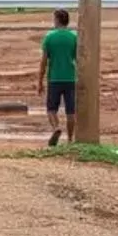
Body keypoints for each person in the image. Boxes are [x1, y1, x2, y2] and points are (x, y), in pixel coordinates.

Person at [37, 9, 77, 147]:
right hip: (71, 78)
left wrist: (40, 81)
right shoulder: (74, 37)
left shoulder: (49, 37)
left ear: (57, 20)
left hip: (54, 78)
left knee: (51, 109)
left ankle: (56, 128)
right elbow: (79, 58)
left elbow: (44, 61)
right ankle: (71, 139)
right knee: (71, 111)